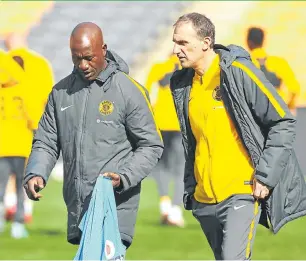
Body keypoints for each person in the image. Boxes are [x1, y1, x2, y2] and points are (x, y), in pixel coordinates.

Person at [170, 12, 306, 260]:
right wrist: (192, 188)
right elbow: (192, 141)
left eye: (183, 43)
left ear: (206, 42)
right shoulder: (181, 83)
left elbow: (283, 121)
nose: (176, 49)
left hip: (241, 191)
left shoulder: (237, 70)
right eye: (174, 42)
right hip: (204, 200)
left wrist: (265, 177)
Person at [23, 22, 164, 251]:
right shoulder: (60, 93)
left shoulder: (128, 91)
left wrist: (124, 177)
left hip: (115, 208)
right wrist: (36, 172)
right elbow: (46, 141)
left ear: (104, 49)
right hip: (78, 209)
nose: (83, 65)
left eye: (88, 57)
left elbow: (151, 145)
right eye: (76, 58)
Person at [0, 51, 40, 238]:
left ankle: (0, 221)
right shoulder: (25, 89)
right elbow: (34, 119)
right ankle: (17, 225)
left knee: (0, 186)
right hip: (21, 145)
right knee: (20, 188)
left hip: (2, 145)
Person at [145, 54, 185, 227]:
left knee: (161, 166)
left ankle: (165, 204)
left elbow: (145, 92)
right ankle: (176, 210)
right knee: (181, 169)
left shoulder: (159, 67)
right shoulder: (188, 69)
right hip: (180, 124)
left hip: (160, 123)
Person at [246, 27, 300, 114]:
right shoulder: (279, 62)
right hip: (276, 112)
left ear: (248, 42)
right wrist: (290, 105)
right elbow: (294, 89)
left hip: (253, 114)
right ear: (263, 41)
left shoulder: (244, 63)